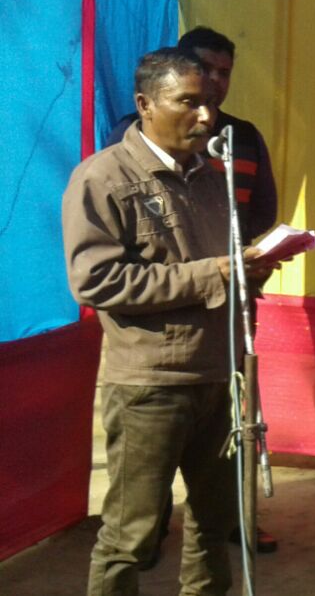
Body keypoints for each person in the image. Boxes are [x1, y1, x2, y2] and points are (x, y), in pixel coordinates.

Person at [63, 47, 277, 596]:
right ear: (145, 104)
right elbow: (97, 282)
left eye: (210, 103)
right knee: (130, 536)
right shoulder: (102, 178)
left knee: (213, 524)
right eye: (188, 102)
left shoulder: (211, 177)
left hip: (220, 376)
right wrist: (216, 273)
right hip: (151, 386)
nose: (206, 116)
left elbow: (219, 272)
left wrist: (250, 269)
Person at [107, 26, 277, 242]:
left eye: (224, 73)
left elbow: (264, 212)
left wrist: (225, 239)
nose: (215, 79)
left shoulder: (245, 136)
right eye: (205, 68)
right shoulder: (134, 130)